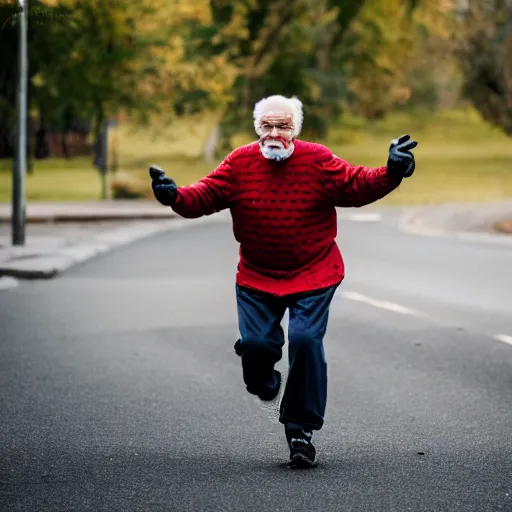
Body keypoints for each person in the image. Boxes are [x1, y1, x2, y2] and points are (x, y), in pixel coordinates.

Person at [149, 95, 418, 469]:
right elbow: (204, 196)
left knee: (306, 340)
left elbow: (357, 185)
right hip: (258, 275)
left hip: (314, 271)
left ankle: (300, 431)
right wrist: (174, 196)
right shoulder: (240, 163)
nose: (275, 133)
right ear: (258, 129)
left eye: (284, 126)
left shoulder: (317, 160)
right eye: (268, 126)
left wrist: (391, 172)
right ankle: (261, 376)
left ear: (296, 129)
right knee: (258, 345)